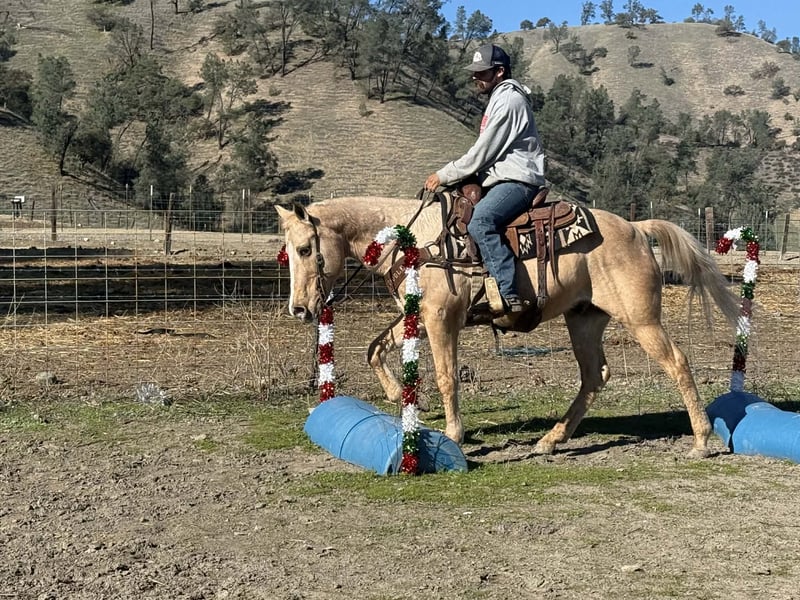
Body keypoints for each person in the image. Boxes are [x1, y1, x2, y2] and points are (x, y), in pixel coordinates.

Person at [424, 43, 546, 316]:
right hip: (502, 178)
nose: (475, 77)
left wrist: (444, 174)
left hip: (517, 181)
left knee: (480, 221)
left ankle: (507, 293)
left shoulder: (509, 100)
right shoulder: (499, 98)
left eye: (482, 72)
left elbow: (482, 152)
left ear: (499, 71)